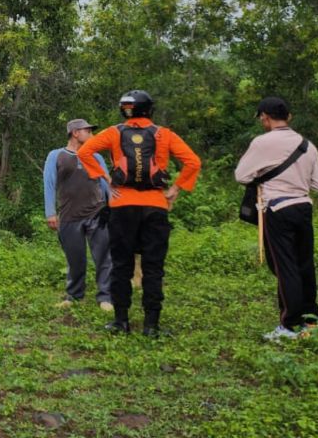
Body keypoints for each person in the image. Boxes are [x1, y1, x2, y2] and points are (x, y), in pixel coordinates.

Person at [77, 90, 201, 338]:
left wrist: (106, 178)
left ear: (124, 110)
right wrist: (176, 188)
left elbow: (84, 153)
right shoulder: (163, 134)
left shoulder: (113, 133)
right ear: (149, 110)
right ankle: (151, 325)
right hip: (156, 206)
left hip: (122, 205)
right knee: (153, 267)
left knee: (121, 265)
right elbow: (193, 162)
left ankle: (121, 321)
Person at [234, 96, 318, 340]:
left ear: (264, 116)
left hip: (276, 209)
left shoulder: (262, 143)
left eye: (261, 118)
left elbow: (241, 175)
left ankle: (288, 325)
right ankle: (311, 321)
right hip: (303, 207)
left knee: (285, 267)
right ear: (289, 116)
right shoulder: (307, 144)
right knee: (304, 264)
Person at [43, 119, 113, 312]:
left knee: (103, 257)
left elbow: (106, 183)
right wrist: (50, 213)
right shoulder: (56, 156)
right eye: (87, 131)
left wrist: (112, 207)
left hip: (97, 213)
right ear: (75, 133)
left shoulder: (96, 157)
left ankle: (106, 297)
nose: (91, 135)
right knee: (75, 258)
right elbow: (49, 184)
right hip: (69, 215)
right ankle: (74, 296)